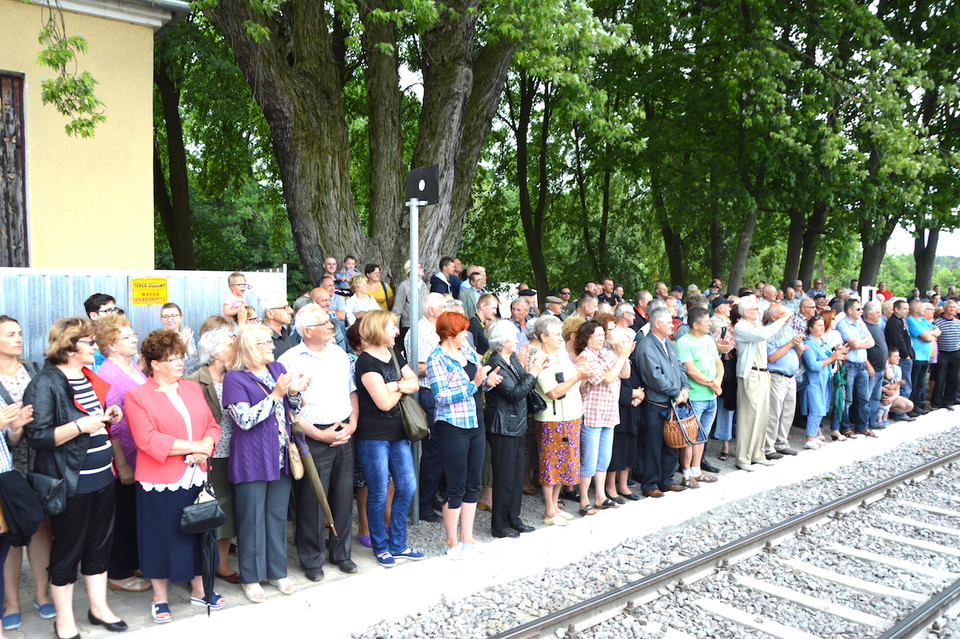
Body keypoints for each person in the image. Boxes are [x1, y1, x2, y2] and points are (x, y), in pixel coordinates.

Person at [23, 317, 126, 639]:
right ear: (69, 347)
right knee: (67, 550)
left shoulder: (86, 376)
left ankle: (98, 608)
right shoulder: (45, 382)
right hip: (70, 483)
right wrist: (81, 426)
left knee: (99, 546)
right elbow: (37, 436)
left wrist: (108, 416)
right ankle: (64, 619)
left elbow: (92, 418)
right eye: (90, 342)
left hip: (101, 478)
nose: (95, 347)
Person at [124, 330, 223, 623]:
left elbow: (211, 424)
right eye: (171, 359)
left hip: (196, 474)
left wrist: (206, 448)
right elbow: (146, 438)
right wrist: (192, 447)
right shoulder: (137, 395)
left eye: (180, 357)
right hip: (159, 479)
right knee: (159, 537)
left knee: (198, 532)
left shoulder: (191, 388)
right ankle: (160, 597)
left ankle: (199, 588)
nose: (179, 363)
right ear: (154, 364)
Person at [222, 325, 310, 602]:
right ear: (250, 347)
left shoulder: (276, 370)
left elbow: (289, 411)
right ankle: (251, 577)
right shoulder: (234, 379)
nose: (273, 346)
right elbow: (244, 420)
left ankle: (277, 571)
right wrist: (276, 395)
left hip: (280, 455)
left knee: (275, 517)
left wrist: (294, 394)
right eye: (266, 342)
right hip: (251, 458)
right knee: (251, 519)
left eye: (271, 342)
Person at [280, 305, 358, 579]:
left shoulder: (338, 354)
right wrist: (319, 434)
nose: (331, 324)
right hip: (311, 436)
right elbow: (287, 409)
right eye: (324, 322)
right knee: (312, 501)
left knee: (342, 496)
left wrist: (353, 423)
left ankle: (342, 554)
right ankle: (312, 560)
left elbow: (352, 391)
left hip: (343, 431)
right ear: (308, 330)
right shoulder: (290, 359)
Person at [353, 311, 425, 568]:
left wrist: (392, 385)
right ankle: (381, 547)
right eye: (392, 327)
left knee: (407, 486)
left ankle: (398, 544)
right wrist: (398, 385)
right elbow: (382, 404)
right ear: (377, 330)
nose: (397, 331)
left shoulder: (393, 353)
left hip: (398, 432)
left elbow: (414, 382)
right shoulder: (365, 362)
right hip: (373, 436)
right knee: (379, 492)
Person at [427, 312, 500, 558]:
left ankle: (467, 537)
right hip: (452, 426)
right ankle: (451, 541)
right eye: (462, 331)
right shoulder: (435, 359)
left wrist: (488, 381)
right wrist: (475, 384)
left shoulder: (467, 350)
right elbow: (441, 397)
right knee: (456, 485)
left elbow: (478, 378)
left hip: (475, 422)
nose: (467, 334)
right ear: (449, 333)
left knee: (473, 483)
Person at [94, 315, 151, 595]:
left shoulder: (130, 367)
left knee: (134, 513)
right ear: (110, 344)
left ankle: (132, 562)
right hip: (124, 456)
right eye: (127, 336)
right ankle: (118, 572)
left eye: (132, 333)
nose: (134, 338)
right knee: (122, 515)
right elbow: (112, 426)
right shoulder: (109, 374)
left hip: (140, 452)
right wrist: (122, 463)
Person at [0, 316, 49, 632]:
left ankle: (42, 594)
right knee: (13, 534)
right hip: (9, 466)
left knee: (43, 527)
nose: (18, 338)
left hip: (41, 461)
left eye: (19, 332)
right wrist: (15, 427)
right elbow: (10, 436)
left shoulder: (33, 369)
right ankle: (12, 602)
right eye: (10, 334)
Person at [182, 328, 240, 584]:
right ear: (216, 352)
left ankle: (222, 563)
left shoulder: (235, 377)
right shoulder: (194, 380)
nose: (236, 346)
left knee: (228, 511)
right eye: (231, 343)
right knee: (206, 510)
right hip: (208, 454)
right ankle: (201, 564)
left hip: (235, 452)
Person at [483, 320, 543, 538]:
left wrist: (531, 372)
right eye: (512, 338)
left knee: (517, 474)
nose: (517, 340)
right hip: (502, 426)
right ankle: (498, 524)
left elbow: (525, 387)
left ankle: (514, 518)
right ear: (502, 342)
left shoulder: (513, 358)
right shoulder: (495, 363)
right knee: (504, 475)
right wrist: (533, 372)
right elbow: (516, 393)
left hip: (517, 423)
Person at [531, 316, 592, 523]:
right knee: (551, 464)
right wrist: (578, 376)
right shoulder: (540, 359)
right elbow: (554, 392)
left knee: (565, 463)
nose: (560, 338)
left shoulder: (562, 354)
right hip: (551, 419)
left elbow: (576, 385)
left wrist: (581, 375)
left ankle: (556, 506)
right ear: (543, 337)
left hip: (572, 414)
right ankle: (549, 510)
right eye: (556, 335)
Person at [574, 320, 632, 514]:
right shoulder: (585, 357)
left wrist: (623, 356)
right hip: (592, 414)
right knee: (589, 460)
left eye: (602, 335)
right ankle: (584, 500)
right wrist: (621, 357)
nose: (602, 338)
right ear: (587, 338)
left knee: (604, 459)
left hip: (609, 414)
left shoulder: (607, 353)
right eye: (597, 335)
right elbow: (606, 378)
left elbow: (624, 374)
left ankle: (600, 496)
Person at [633, 307, 690, 496]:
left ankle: (667, 480)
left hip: (673, 402)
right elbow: (654, 377)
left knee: (671, 444)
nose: (672, 325)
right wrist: (676, 392)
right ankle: (650, 484)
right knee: (653, 445)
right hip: (656, 404)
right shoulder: (646, 346)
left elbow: (680, 367)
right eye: (668, 322)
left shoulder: (669, 343)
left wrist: (685, 388)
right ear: (657, 324)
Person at [733, 296, 790, 471]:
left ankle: (758, 454)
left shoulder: (756, 325)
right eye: (755, 309)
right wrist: (781, 319)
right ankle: (743, 458)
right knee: (748, 417)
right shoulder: (741, 326)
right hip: (751, 373)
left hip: (764, 373)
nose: (758, 312)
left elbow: (774, 337)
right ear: (746, 312)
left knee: (762, 415)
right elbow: (763, 335)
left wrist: (785, 323)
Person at [404, 293, 446, 524]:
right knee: (431, 452)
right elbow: (416, 368)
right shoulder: (419, 332)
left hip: (438, 394)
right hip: (427, 394)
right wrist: (445, 366)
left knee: (438, 451)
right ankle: (422, 504)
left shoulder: (437, 330)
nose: (447, 308)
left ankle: (429, 497)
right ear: (431, 310)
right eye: (443, 306)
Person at [676, 307, 722, 487]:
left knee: (702, 435)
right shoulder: (684, 342)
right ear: (695, 324)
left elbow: (718, 363)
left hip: (711, 396)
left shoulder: (709, 339)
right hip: (695, 396)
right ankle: (686, 472)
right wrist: (712, 384)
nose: (710, 323)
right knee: (690, 437)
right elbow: (690, 370)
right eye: (707, 321)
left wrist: (717, 382)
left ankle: (697, 470)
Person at [764, 304, 804, 459]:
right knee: (774, 412)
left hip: (791, 376)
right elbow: (771, 357)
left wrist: (799, 344)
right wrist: (791, 344)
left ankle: (781, 443)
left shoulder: (788, 328)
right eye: (784, 314)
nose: (789, 317)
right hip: (776, 376)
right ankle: (768, 447)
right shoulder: (770, 331)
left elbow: (796, 349)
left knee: (788, 411)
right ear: (774, 317)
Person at [802, 314, 847, 448]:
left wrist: (839, 354)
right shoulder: (809, 344)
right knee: (815, 409)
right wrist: (832, 358)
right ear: (810, 328)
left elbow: (830, 355)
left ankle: (814, 435)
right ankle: (809, 438)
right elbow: (813, 365)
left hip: (825, 379)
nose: (822, 328)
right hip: (814, 380)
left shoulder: (824, 342)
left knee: (822, 408)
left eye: (823, 325)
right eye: (819, 325)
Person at [836, 298, 876, 437]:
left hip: (862, 365)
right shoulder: (842, 324)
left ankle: (862, 426)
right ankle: (846, 428)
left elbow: (872, 341)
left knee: (863, 398)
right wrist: (860, 342)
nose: (861, 311)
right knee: (847, 399)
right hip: (850, 366)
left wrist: (860, 343)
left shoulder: (860, 323)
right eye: (858, 309)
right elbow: (853, 344)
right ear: (850, 310)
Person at [931, 299, 959, 410]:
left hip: (956, 353)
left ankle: (950, 400)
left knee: (954, 377)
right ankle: (936, 402)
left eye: (954, 307)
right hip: (942, 354)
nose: (952, 309)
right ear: (945, 308)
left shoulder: (957, 322)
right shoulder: (937, 322)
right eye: (950, 307)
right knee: (940, 378)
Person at [393, 262, 428, 344]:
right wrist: (396, 326)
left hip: (423, 325)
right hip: (409, 326)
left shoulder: (424, 286)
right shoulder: (404, 286)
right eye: (419, 267)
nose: (422, 269)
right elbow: (397, 309)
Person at [261, 295, 295, 359]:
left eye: (289, 306)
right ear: (270, 314)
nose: (291, 311)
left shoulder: (284, 333)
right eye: (285, 308)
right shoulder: (260, 338)